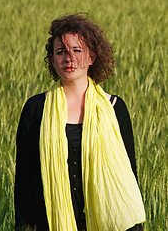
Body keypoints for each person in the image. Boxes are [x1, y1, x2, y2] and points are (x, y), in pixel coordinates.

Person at [14, 13, 146, 231]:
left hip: (109, 224)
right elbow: (25, 176)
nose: (69, 58)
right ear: (53, 59)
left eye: (77, 50)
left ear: (92, 57)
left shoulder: (114, 108)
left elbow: (129, 173)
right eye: (61, 52)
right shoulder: (36, 109)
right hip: (52, 222)